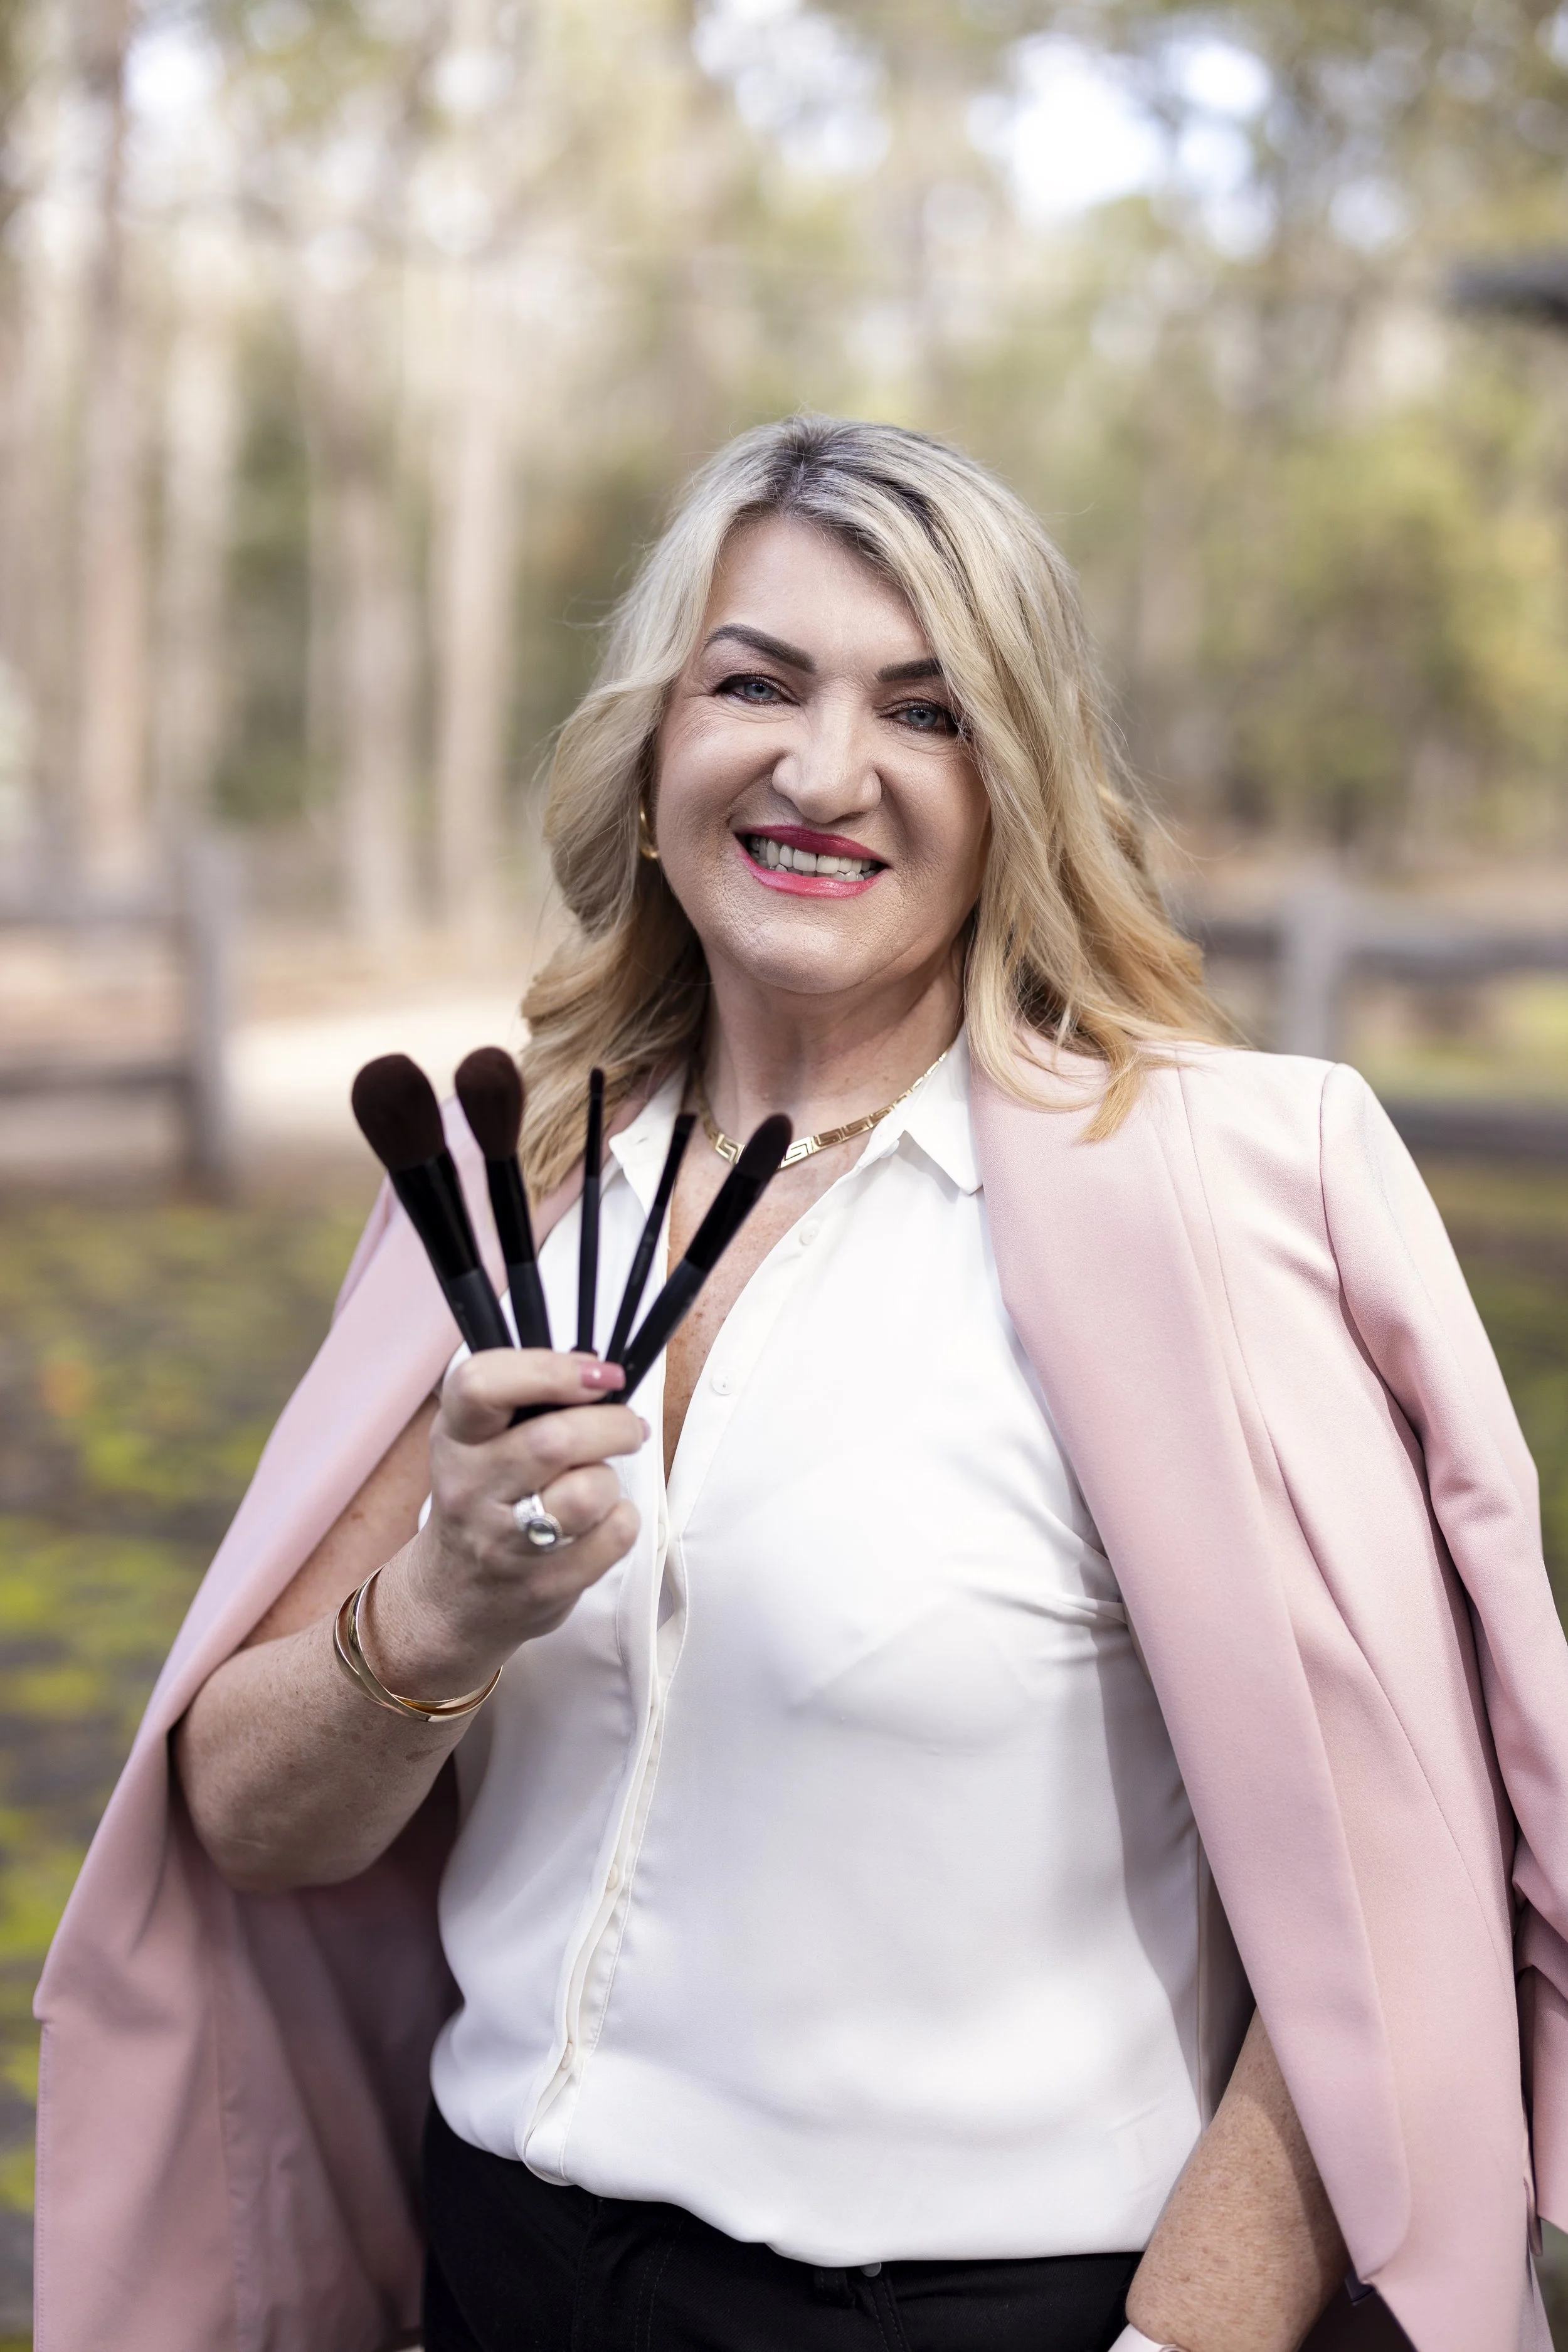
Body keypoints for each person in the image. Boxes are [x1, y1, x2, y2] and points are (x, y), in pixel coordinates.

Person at [34, 416, 1568, 2352]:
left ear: (1017, 784)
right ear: (654, 743)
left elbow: (1397, 1875)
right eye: (753, 682)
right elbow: (255, 1821)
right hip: (498, 2276)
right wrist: (438, 1608)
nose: (820, 769)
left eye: (923, 712)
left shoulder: (1214, 1195)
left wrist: (1184, 2343)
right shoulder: (512, 1193)